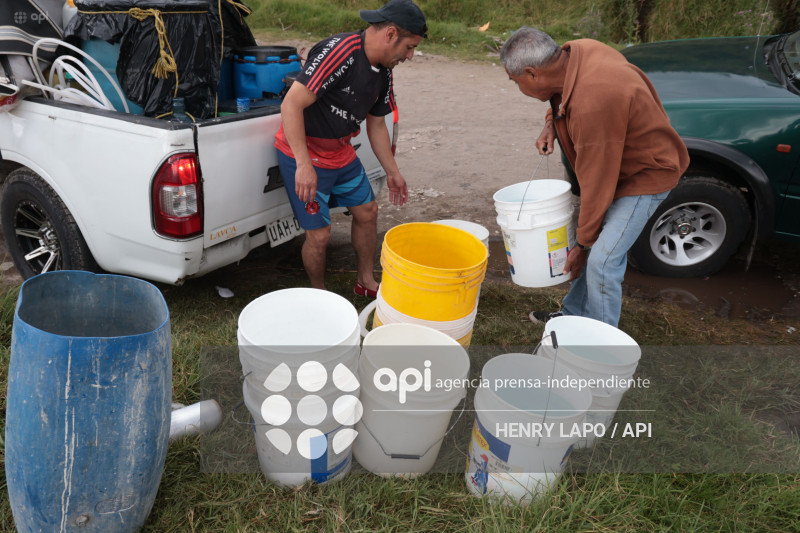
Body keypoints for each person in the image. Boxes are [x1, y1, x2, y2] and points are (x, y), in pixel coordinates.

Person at [500, 27, 689, 328]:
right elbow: (561, 96)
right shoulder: (577, 52)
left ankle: (599, 346)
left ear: (532, 74)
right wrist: (551, 123)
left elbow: (597, 183)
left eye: (516, 81)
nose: (518, 87)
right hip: (617, 163)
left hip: (645, 175)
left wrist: (582, 245)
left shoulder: (594, 103)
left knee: (602, 261)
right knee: (592, 243)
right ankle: (574, 316)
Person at [274, 0, 426, 297]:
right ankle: (320, 296)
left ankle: (365, 282)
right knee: (319, 236)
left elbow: (377, 124)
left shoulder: (384, 70)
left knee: (368, 211)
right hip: (304, 152)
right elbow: (290, 104)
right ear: (390, 33)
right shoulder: (340, 52)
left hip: (340, 152)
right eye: (409, 47)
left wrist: (392, 172)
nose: (410, 56)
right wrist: (304, 165)